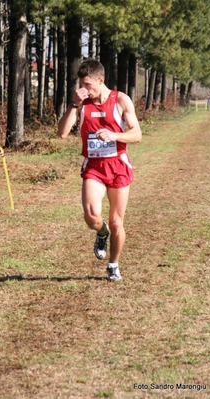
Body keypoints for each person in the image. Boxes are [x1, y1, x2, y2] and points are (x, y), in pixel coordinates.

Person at [58, 58, 142, 281]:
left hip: (117, 164)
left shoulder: (121, 100)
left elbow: (137, 134)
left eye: (88, 85)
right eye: (81, 85)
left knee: (117, 222)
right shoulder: (82, 104)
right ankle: (100, 232)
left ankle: (113, 264)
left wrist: (115, 135)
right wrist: (73, 104)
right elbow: (62, 133)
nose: (84, 90)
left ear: (100, 80)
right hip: (94, 165)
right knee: (92, 216)